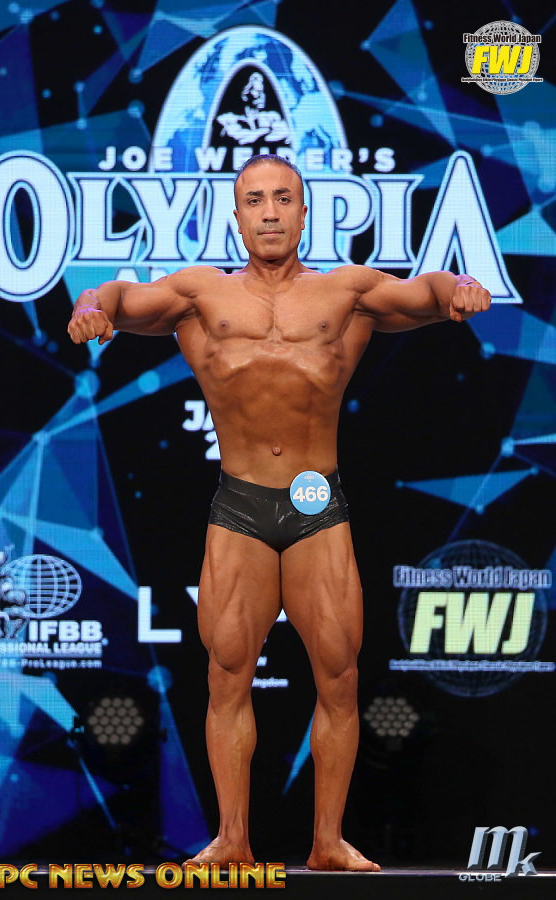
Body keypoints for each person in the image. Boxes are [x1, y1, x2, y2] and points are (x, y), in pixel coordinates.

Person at [67, 154, 491, 871]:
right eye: (255, 200)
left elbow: (425, 291)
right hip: (239, 505)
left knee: (340, 674)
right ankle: (232, 838)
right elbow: (121, 294)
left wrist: (461, 287)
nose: (269, 212)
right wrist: (91, 305)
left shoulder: (345, 292)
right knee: (227, 673)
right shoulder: (200, 295)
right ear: (236, 217)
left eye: (283, 199)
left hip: (315, 503)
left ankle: (328, 842)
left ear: (303, 212)